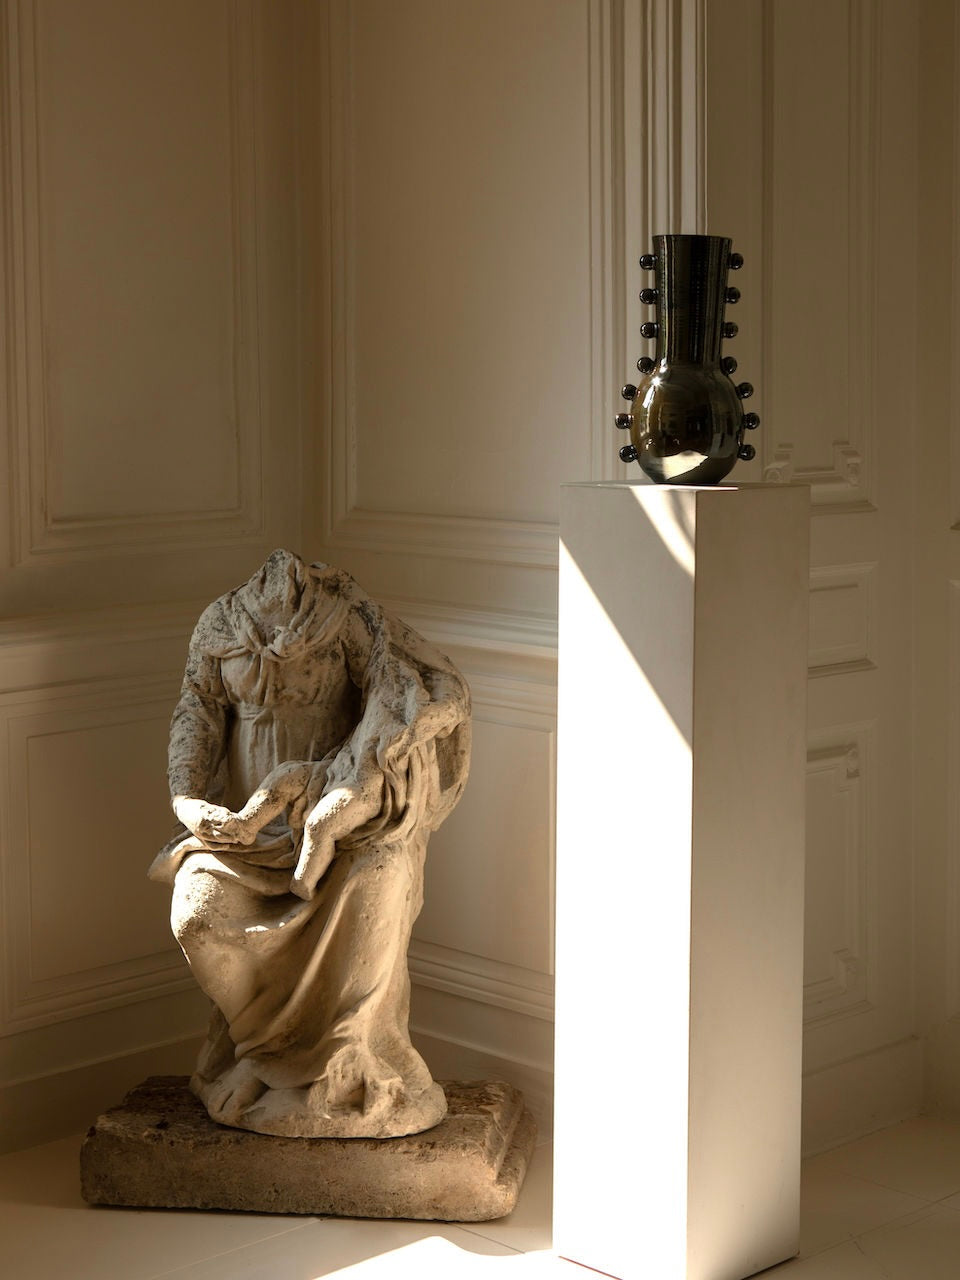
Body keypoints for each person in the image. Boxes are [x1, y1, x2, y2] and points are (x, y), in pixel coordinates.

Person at [148, 549, 471, 1139]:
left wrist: (360, 782)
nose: (285, 579)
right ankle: (261, 1056)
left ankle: (347, 1064)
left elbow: (397, 697)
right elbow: (195, 712)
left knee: (378, 874)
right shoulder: (220, 626)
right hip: (247, 829)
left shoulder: (344, 620)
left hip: (337, 813)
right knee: (197, 915)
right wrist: (189, 802)